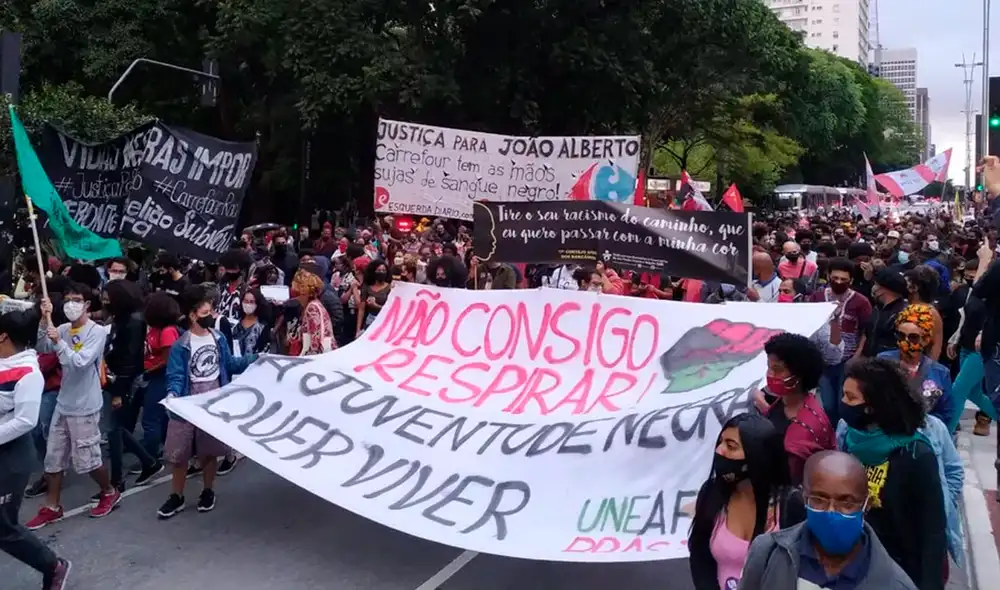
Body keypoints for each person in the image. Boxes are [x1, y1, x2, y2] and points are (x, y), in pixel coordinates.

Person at [838, 358, 946, 589]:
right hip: (855, 563)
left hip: (900, 569)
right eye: (844, 395)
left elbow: (932, 531)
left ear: (874, 405)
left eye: (851, 397)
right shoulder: (850, 439)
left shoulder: (916, 453)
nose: (843, 403)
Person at [739, 451, 917, 590]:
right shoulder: (768, 554)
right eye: (819, 499)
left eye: (846, 502)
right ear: (804, 496)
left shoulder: (895, 584)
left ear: (866, 505)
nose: (831, 511)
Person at [157, 287, 257, 519]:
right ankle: (176, 496)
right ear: (193, 316)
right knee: (179, 454)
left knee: (209, 451)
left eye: (211, 311)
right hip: (188, 400)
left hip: (212, 400)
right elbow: (176, 375)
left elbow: (230, 364)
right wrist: (173, 395)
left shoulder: (219, 338)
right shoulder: (180, 346)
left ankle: (208, 490)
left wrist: (255, 359)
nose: (211, 316)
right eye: (205, 312)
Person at [27, 283, 120, 529]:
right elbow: (41, 347)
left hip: (85, 405)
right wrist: (42, 320)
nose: (71, 304)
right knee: (53, 458)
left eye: (76, 299)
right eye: (67, 299)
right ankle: (52, 506)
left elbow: (79, 362)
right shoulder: (63, 328)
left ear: (87, 304)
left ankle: (109, 491)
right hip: (63, 402)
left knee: (87, 460)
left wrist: (59, 342)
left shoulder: (96, 332)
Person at [688, 414, 804, 590]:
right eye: (720, 442)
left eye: (731, 446)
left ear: (756, 455)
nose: (720, 450)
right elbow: (700, 556)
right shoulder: (712, 493)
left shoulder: (790, 505)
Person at [0, 309, 73, 588]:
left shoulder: (29, 372)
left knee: (4, 528)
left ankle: (53, 566)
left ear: (3, 336)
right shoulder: (4, 362)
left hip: (11, 457)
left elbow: (25, 421)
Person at [103, 279, 162, 490]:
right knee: (115, 428)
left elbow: (129, 359)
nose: (104, 300)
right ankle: (148, 462)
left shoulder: (134, 322)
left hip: (124, 381)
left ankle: (117, 481)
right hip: (115, 378)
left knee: (114, 429)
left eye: (108, 297)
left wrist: (119, 391)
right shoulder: (121, 318)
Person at [755, 333, 834, 485]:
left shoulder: (810, 428)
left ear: (799, 375)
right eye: (769, 368)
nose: (770, 375)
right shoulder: (781, 403)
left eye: (777, 369)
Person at [810, 258, 872, 423]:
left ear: (851, 280)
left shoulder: (861, 302)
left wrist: (857, 356)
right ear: (828, 276)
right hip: (823, 359)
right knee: (828, 404)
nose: (838, 282)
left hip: (848, 360)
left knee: (844, 403)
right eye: (835, 278)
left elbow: (866, 331)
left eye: (843, 280)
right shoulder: (817, 297)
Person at [877, 304, 956, 428]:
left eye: (913, 337)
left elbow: (947, 412)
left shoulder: (940, 372)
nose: (905, 342)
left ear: (925, 340)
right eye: (901, 336)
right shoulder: (883, 361)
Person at [945, 257, 996, 434]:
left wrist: (985, 258)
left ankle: (945, 436)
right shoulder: (974, 292)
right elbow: (965, 315)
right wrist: (955, 338)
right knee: (973, 393)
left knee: (957, 391)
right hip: (966, 344)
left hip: (983, 349)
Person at [139, 292, 181, 461]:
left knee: (151, 419)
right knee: (159, 417)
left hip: (161, 378)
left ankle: (149, 458)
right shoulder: (155, 329)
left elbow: (167, 360)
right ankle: (165, 448)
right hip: (153, 376)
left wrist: (146, 371)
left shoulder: (167, 332)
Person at [860, 268, 909, 358]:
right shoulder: (878, 308)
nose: (873, 287)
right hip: (869, 362)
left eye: (875, 284)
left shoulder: (902, 314)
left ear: (883, 289)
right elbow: (867, 333)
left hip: (888, 365)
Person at [902, 265, 944, 360]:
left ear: (914, 287)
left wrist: (926, 371)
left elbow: (935, 346)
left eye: (906, 282)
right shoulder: (906, 307)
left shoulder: (929, 312)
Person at [356, 260, 393, 337]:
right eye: (379, 270)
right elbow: (361, 309)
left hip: (385, 322)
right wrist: (358, 330)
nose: (381, 273)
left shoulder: (390, 288)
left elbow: (391, 310)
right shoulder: (367, 287)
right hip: (370, 322)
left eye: (384, 270)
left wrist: (376, 305)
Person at [232, 288, 271, 356]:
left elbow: (264, 353)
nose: (248, 304)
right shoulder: (235, 323)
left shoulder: (262, 327)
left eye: (251, 302)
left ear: (257, 304)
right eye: (246, 301)